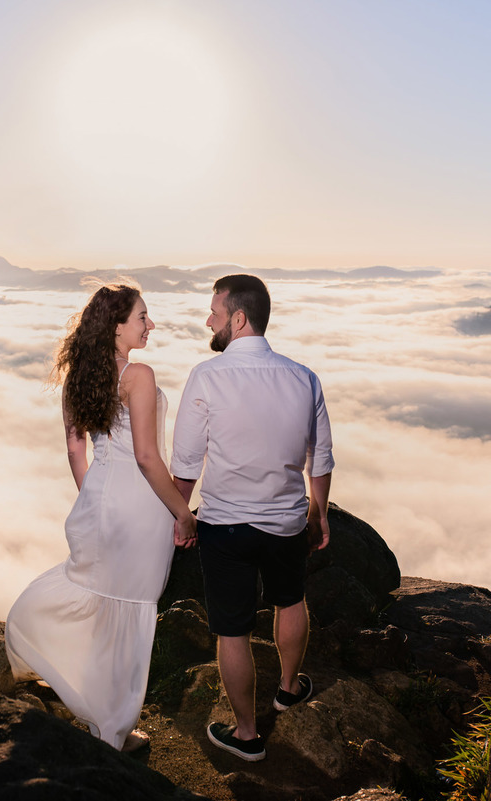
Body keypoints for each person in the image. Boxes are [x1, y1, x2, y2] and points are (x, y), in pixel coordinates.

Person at [5, 283, 198, 753]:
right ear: (115, 325)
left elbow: (76, 452)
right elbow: (148, 458)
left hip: (100, 498)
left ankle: (92, 704)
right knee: (130, 607)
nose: (151, 325)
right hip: (142, 505)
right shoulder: (139, 375)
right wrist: (183, 513)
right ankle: (113, 729)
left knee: (96, 598)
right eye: (142, 318)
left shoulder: (79, 378)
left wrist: (95, 501)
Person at [170, 274, 334, 762]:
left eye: (215, 312)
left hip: (224, 526)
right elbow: (320, 460)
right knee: (291, 600)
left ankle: (246, 735)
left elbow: (186, 464)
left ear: (238, 319)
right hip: (286, 522)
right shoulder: (304, 377)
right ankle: (288, 689)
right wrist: (319, 513)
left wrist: (179, 517)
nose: (209, 321)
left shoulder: (207, 376)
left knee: (233, 631)